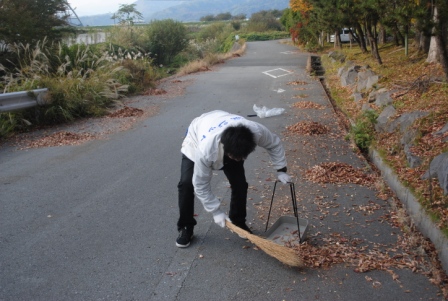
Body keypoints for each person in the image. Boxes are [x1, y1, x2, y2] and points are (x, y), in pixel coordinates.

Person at [176, 110, 291, 248]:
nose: (239, 160)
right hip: (196, 137)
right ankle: (186, 226)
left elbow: (274, 144)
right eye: (235, 157)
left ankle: (238, 222)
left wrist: (281, 170)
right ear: (225, 148)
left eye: (242, 157)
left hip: (225, 130)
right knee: (187, 184)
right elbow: (200, 184)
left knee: (240, 184)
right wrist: (216, 211)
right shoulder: (206, 149)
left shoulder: (256, 131)